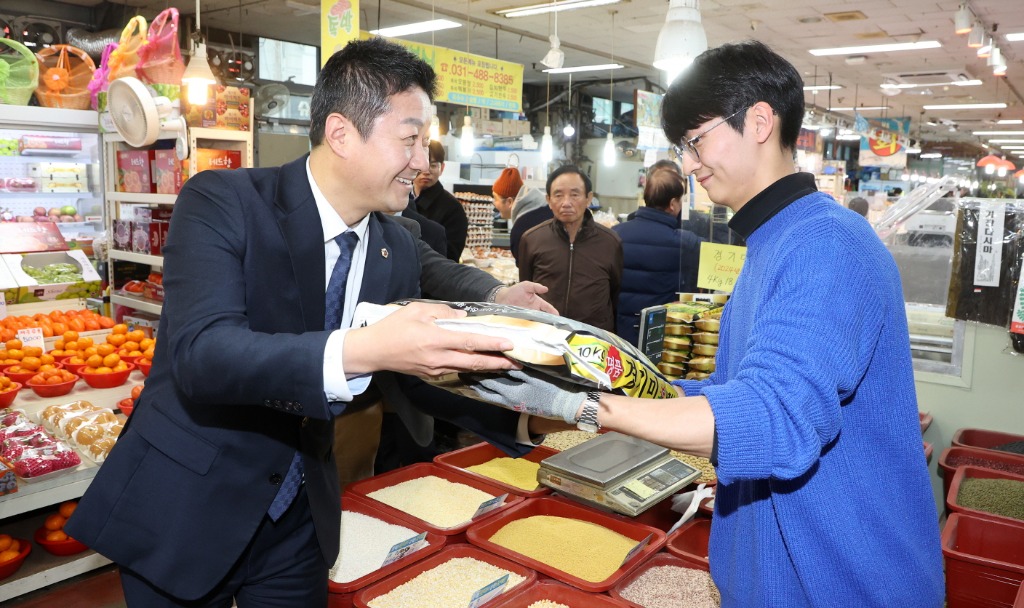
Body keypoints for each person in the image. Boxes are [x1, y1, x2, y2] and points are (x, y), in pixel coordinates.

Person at [66, 38, 564, 607]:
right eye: (410, 140)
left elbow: (410, 375)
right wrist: (365, 348)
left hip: (299, 519)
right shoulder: (223, 202)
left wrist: (537, 418)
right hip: (186, 507)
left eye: (425, 144)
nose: (423, 163)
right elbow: (204, 356)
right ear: (341, 133)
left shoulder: (395, 249)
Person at [467, 41, 944, 607]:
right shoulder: (774, 242)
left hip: (840, 582)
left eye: (696, 141)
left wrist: (587, 410)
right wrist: (590, 378)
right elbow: (730, 396)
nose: (688, 164)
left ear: (760, 122)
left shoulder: (827, 245)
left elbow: (774, 419)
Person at [518, 165, 623, 332]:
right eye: (558, 195)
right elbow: (526, 289)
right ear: (548, 200)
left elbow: (614, 294)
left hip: (593, 340)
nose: (566, 203)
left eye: (575, 195)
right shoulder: (532, 239)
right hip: (545, 334)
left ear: (589, 198)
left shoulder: (610, 242)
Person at [613, 169, 702, 346]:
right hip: (661, 335)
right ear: (672, 204)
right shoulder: (685, 242)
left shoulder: (615, 234)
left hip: (618, 333)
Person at [413, 140, 468, 261]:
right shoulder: (401, 200)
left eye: (433, 165)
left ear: (442, 168)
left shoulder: (453, 209)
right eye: (423, 164)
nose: (426, 171)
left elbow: (451, 256)